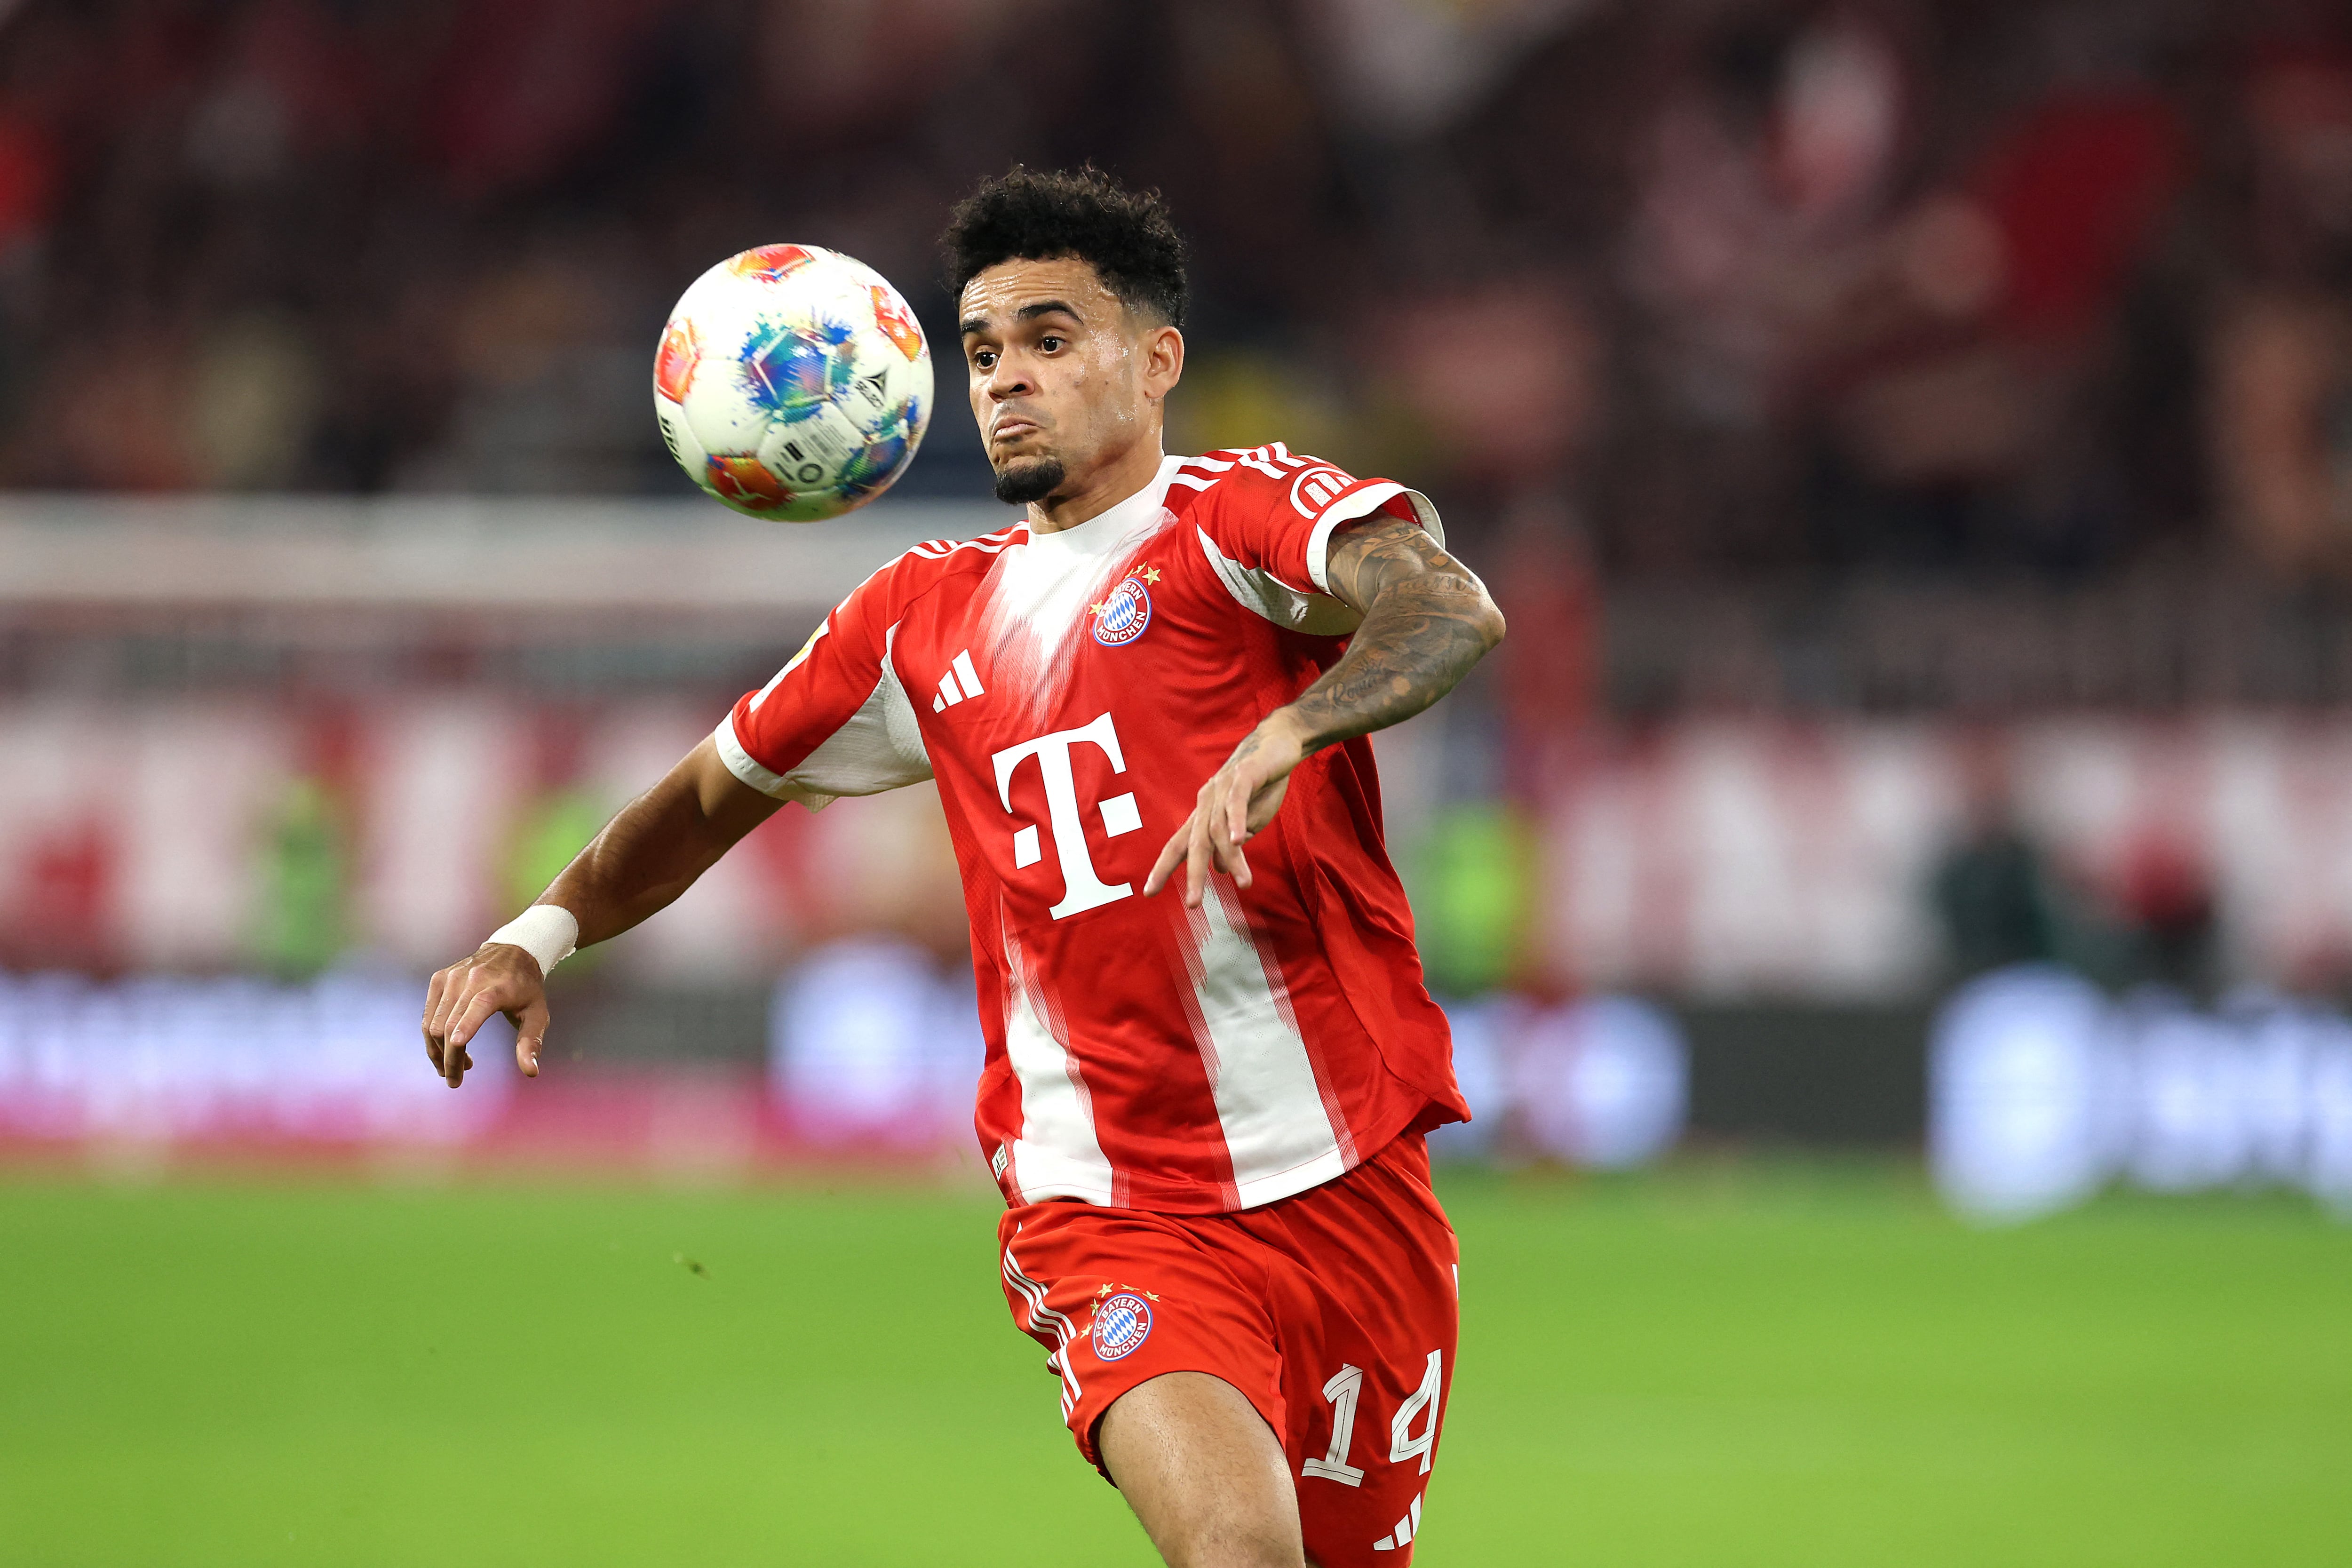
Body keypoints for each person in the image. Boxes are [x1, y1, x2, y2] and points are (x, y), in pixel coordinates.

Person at [422, 166, 1503, 1568]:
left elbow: (1444, 604)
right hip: (1107, 1207)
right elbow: (706, 797)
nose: (1005, 379)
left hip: (1352, 1184)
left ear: (1156, 359)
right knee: (1240, 1557)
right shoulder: (921, 614)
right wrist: (537, 933)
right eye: (983, 349)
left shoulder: (1240, 526)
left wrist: (1292, 722)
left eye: (1050, 341)